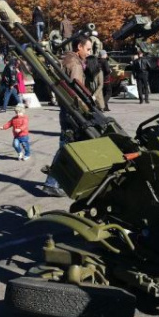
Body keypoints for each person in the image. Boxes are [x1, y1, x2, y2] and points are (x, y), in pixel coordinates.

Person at [42, 35, 92, 196]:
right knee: (67, 147)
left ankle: (64, 181)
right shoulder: (75, 64)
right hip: (74, 111)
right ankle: (52, 183)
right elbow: (76, 91)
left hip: (67, 110)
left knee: (70, 146)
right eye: (88, 49)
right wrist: (87, 109)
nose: (90, 52)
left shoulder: (67, 59)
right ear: (79, 47)